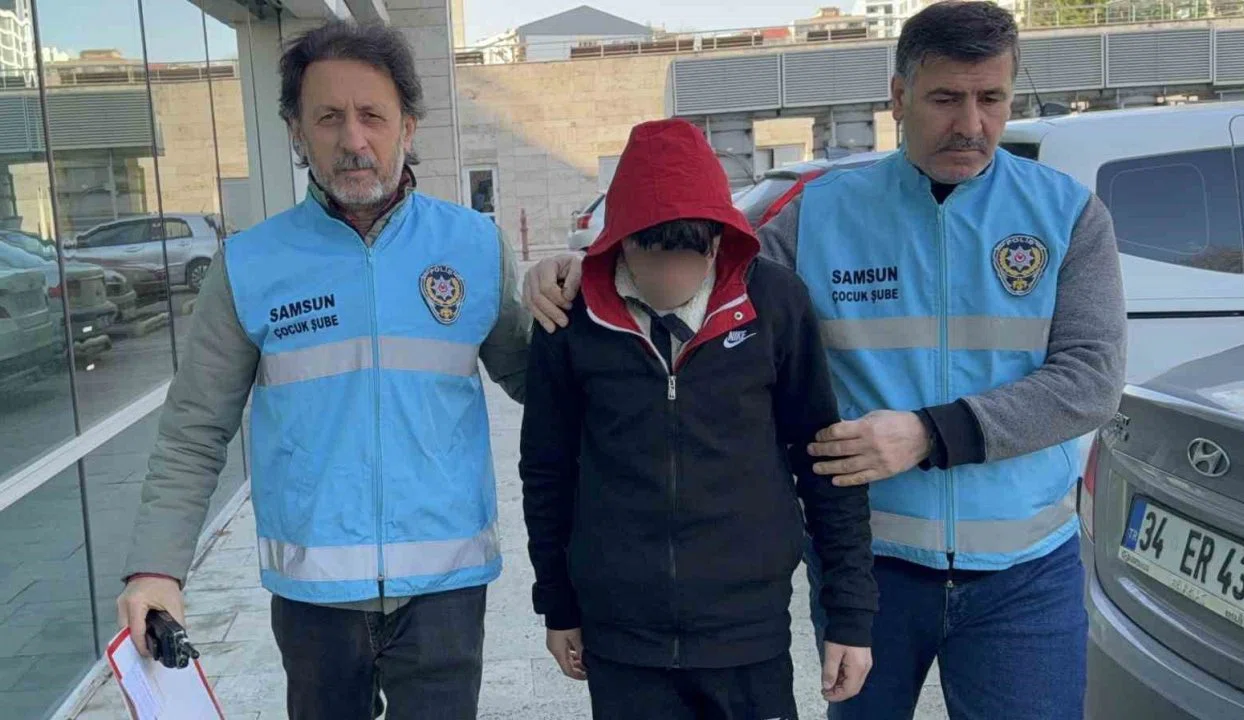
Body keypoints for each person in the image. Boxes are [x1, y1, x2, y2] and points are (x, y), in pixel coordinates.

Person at [522, 3, 1126, 718]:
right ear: (898, 96)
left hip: (1023, 575)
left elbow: (1090, 380)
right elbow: (707, 265)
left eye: (991, 98)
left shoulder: (1067, 215)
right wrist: (586, 268)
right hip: (874, 568)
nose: (971, 123)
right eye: (945, 99)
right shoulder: (821, 214)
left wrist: (930, 433)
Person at [115, 19, 531, 720]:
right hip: (315, 603)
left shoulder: (474, 247)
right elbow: (194, 429)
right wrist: (157, 567)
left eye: (373, 115)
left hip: (446, 592)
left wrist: (586, 297)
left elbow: (542, 382)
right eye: (329, 117)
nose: (353, 139)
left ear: (408, 126)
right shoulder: (249, 265)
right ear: (296, 131)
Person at [519, 118, 877, 719]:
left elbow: (824, 462)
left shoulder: (776, 303)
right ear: (620, 242)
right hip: (623, 641)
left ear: (718, 240)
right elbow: (546, 470)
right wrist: (557, 605)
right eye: (652, 258)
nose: (671, 279)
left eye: (691, 257)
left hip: (749, 635)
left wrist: (850, 615)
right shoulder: (570, 317)